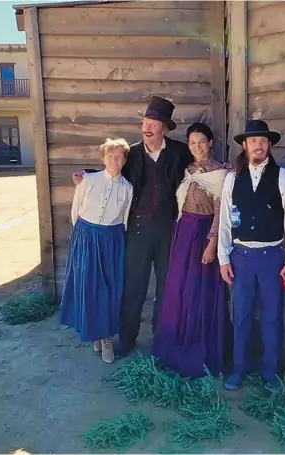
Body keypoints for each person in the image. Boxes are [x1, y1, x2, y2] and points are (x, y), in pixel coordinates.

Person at [72, 95, 193, 358]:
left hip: (168, 231)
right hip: (136, 232)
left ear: (164, 128)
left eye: (153, 123)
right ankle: (127, 339)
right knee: (133, 287)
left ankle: (161, 342)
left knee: (166, 288)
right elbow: (111, 171)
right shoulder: (133, 153)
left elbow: (198, 175)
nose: (146, 128)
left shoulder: (180, 153)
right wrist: (85, 174)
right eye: (144, 122)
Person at [218, 119, 285, 391]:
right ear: (244, 145)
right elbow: (225, 222)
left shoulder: (284, 177)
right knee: (240, 314)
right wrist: (223, 258)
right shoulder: (232, 178)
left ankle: (270, 371)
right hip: (241, 257)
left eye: (263, 141)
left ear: (269, 146)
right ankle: (239, 369)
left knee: (272, 316)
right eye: (253, 141)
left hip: (272, 257)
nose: (259, 145)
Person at [152, 122, 231, 378]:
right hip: (183, 233)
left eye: (201, 142)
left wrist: (211, 242)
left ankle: (200, 352)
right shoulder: (187, 170)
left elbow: (221, 211)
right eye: (192, 143)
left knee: (200, 291)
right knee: (179, 290)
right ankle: (174, 349)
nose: (197, 147)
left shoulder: (220, 172)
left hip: (204, 234)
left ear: (211, 143)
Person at [59, 137, 133, 364]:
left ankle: (107, 337)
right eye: (110, 156)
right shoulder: (87, 181)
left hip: (112, 240)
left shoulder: (127, 188)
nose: (114, 160)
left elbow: (125, 219)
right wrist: (84, 237)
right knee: (88, 287)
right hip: (86, 237)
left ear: (125, 160)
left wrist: (112, 240)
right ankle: (95, 333)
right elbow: (76, 212)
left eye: (119, 156)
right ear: (103, 158)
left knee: (108, 289)